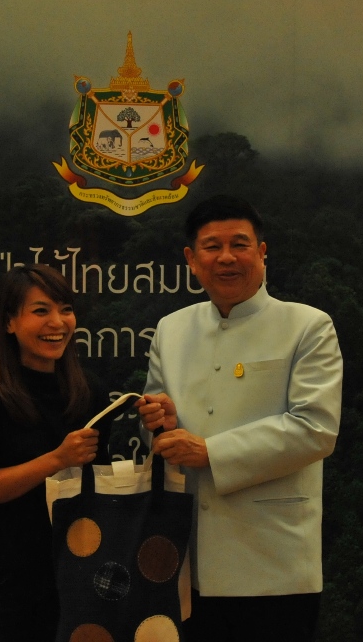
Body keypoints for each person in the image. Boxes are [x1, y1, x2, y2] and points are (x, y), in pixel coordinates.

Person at [135, 195, 343, 642]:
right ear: (192, 259)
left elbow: (315, 429)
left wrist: (210, 452)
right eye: (212, 246)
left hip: (276, 565)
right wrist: (160, 426)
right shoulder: (171, 329)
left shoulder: (308, 326)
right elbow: (155, 435)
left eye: (240, 244)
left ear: (262, 252)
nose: (226, 257)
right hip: (185, 564)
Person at [0, 264, 113, 642]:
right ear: (9, 322)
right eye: (41, 311)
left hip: (73, 576)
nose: (57, 322)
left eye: (66, 309)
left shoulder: (89, 391)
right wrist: (57, 459)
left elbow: (99, 490)